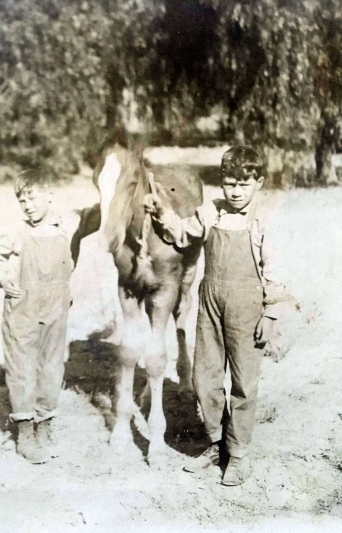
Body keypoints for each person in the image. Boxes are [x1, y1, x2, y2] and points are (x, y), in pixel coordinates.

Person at [144, 146, 292, 486]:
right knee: (205, 376)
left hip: (247, 304)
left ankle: (237, 455)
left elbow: (275, 270)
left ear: (258, 183)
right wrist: (160, 212)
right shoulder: (211, 212)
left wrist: (270, 314)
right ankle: (215, 444)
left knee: (243, 382)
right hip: (210, 300)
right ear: (221, 184)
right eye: (229, 184)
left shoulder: (263, 219)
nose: (236, 192)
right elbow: (182, 233)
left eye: (244, 184)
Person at [0, 169, 80, 464]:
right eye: (21, 200)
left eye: (32, 198)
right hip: (23, 305)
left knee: (52, 365)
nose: (27, 205)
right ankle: (25, 433)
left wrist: (65, 292)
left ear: (50, 196)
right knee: (22, 366)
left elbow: (69, 263)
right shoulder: (17, 231)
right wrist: (4, 280)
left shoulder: (63, 229)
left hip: (56, 305)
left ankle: (45, 427)